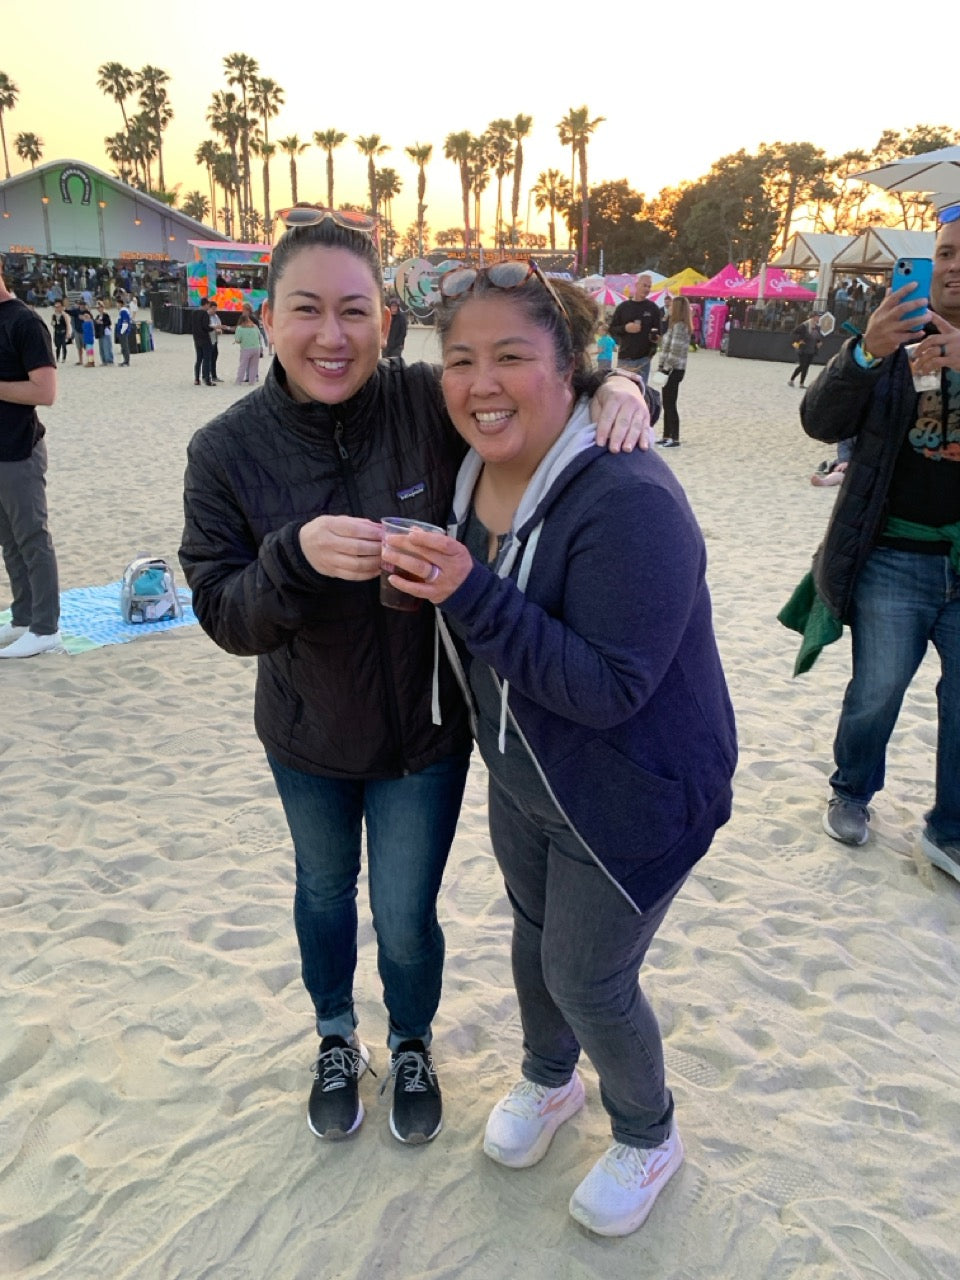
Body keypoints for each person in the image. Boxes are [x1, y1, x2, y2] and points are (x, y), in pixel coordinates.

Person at [179, 212, 652, 1151]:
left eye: (355, 311)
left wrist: (614, 385)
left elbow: (514, 387)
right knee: (323, 893)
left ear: (386, 322)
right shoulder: (225, 450)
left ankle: (410, 1041)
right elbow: (221, 612)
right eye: (307, 310)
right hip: (307, 733)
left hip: (427, 738)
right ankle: (332, 1034)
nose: (332, 335)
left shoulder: (423, 405)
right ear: (266, 318)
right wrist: (293, 556)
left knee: (404, 914)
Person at [380, 266, 736, 1236]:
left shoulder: (626, 497)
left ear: (569, 367)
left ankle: (648, 1130)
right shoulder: (458, 463)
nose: (481, 382)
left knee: (590, 973)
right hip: (522, 773)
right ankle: (549, 1077)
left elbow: (612, 686)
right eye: (460, 358)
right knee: (533, 939)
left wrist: (467, 590)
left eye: (511, 357)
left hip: (633, 790)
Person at [799, 208, 960, 881]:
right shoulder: (890, 340)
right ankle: (852, 789)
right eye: (946, 253)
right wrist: (866, 353)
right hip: (894, 554)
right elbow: (819, 421)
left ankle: (950, 828)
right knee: (879, 688)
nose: (953, 267)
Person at [0, 258, 62, 659]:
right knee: (8, 540)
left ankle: (45, 627)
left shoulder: (24, 322)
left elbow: (45, 392)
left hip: (19, 449)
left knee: (32, 537)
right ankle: (23, 616)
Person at [608, 274, 661, 382]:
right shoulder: (623, 307)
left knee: (641, 392)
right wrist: (625, 328)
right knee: (623, 390)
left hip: (644, 359)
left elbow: (658, 331)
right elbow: (612, 329)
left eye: (649, 287)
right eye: (644, 285)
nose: (647, 289)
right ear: (636, 285)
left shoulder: (653, 308)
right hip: (625, 358)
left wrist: (656, 340)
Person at [656, 296, 692, 448]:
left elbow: (674, 351)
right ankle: (666, 435)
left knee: (670, 404)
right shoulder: (675, 326)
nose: (669, 308)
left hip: (673, 369)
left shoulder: (679, 327)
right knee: (667, 402)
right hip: (671, 368)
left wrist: (665, 368)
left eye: (671, 306)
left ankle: (675, 437)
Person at [788, 315, 822, 388]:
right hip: (803, 349)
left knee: (806, 367)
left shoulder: (817, 327)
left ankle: (801, 383)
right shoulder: (804, 325)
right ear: (813, 317)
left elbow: (817, 338)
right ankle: (792, 379)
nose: (819, 318)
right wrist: (799, 340)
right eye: (818, 317)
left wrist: (819, 343)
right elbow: (794, 333)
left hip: (811, 349)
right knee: (802, 365)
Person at [233, 311, 263, 384]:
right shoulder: (255, 326)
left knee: (243, 365)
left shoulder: (239, 328)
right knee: (254, 366)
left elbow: (237, 340)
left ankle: (239, 381)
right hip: (256, 348)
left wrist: (237, 341)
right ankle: (252, 381)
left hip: (246, 349)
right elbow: (259, 336)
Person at [191, 300, 214, 386]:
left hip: (196, 339)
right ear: (206, 304)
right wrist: (213, 328)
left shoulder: (194, 313)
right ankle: (207, 379)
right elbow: (205, 326)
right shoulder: (205, 314)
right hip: (205, 339)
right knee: (207, 359)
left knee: (198, 359)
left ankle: (197, 378)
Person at [206, 300, 225, 381]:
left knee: (214, 358)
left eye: (215, 309)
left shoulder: (216, 316)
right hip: (208, 340)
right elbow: (207, 326)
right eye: (213, 309)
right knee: (208, 359)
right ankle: (208, 376)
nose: (214, 310)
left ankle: (214, 376)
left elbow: (219, 325)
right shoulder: (206, 316)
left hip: (215, 340)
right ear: (209, 308)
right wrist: (215, 328)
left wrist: (220, 329)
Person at [114, 295, 132, 367]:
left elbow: (125, 322)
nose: (116, 305)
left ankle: (126, 361)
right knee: (123, 347)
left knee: (125, 347)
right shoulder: (122, 311)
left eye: (117, 303)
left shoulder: (123, 311)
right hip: (121, 331)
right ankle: (125, 360)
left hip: (123, 332)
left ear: (120, 304)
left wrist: (121, 331)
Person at [95, 301, 114, 366]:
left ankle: (109, 360)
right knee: (101, 347)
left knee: (107, 347)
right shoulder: (97, 316)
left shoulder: (106, 315)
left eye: (100, 307)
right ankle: (104, 360)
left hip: (106, 332)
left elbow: (109, 322)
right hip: (100, 333)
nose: (99, 309)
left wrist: (102, 322)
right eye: (98, 308)